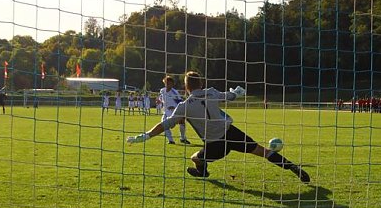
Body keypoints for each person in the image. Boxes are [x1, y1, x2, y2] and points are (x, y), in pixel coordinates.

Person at [127, 71, 310, 183]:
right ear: (201, 83)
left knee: (194, 157)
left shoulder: (184, 106)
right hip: (231, 133)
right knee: (263, 151)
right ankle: (293, 167)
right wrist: (237, 92)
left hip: (215, 143)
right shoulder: (212, 92)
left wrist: (145, 135)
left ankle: (202, 170)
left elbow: (164, 124)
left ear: (186, 87)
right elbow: (230, 96)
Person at [157, 75, 190, 145]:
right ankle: (170, 140)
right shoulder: (162, 90)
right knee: (164, 124)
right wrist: (159, 101)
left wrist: (174, 107)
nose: (169, 84)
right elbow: (161, 98)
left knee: (182, 122)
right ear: (165, 83)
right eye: (167, 83)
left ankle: (183, 138)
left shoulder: (174, 92)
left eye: (170, 83)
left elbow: (180, 101)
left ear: (172, 84)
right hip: (166, 111)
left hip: (174, 111)